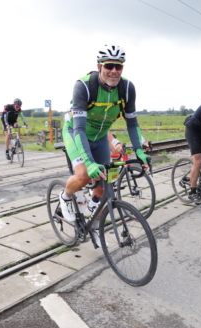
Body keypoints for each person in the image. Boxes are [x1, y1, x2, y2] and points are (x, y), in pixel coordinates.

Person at [60, 44, 149, 247]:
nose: (114, 71)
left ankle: (94, 222)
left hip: (100, 136)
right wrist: (89, 162)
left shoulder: (127, 88)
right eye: (109, 65)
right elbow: (79, 129)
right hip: (75, 133)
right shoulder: (83, 86)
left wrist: (140, 151)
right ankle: (65, 196)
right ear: (99, 66)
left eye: (119, 67)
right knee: (84, 175)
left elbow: (132, 122)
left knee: (103, 185)